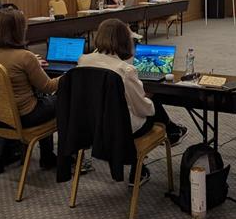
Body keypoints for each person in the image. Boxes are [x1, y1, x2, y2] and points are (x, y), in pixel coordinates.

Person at [78, 18, 187, 186]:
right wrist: (147, 98)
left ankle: (173, 131)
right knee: (150, 105)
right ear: (124, 40)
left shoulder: (83, 61)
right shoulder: (126, 71)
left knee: (139, 105)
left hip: (93, 126)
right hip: (122, 130)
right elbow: (143, 110)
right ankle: (169, 134)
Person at [0, 8, 58, 169]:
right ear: (18, 30)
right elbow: (48, 86)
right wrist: (70, 75)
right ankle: (58, 157)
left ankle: (48, 156)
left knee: (45, 102)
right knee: (63, 99)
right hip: (24, 116)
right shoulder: (25, 57)